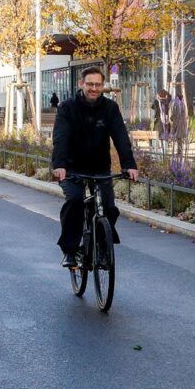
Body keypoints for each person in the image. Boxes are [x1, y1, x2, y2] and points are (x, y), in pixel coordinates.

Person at [52, 65, 139, 268]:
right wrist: (60, 165)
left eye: (98, 85)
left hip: (99, 168)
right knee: (74, 201)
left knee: (108, 207)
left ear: (103, 86)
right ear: (81, 84)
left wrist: (129, 165)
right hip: (72, 168)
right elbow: (61, 138)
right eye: (90, 84)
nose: (94, 88)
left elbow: (120, 137)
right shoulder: (67, 108)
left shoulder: (110, 108)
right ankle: (70, 250)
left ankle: (100, 246)